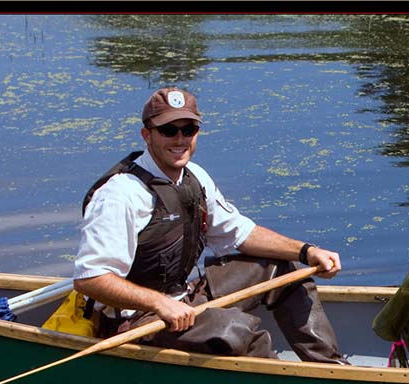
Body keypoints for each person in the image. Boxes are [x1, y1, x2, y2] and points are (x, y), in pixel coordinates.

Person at [73, 87, 348, 364]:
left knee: (280, 268)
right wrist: (159, 303)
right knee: (234, 328)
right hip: (137, 319)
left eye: (189, 129)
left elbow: (240, 233)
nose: (180, 139)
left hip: (184, 297)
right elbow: (91, 278)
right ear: (147, 135)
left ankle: (331, 368)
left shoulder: (195, 177)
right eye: (169, 130)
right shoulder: (120, 196)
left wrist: (306, 251)